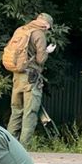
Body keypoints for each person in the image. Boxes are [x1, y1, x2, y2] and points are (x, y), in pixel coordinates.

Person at [6, 13, 57, 147]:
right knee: (30, 112)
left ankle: (10, 146)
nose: (47, 30)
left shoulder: (21, 30)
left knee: (16, 111)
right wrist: (47, 51)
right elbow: (40, 59)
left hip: (17, 75)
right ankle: (24, 147)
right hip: (31, 78)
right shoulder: (39, 34)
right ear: (46, 25)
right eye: (48, 27)